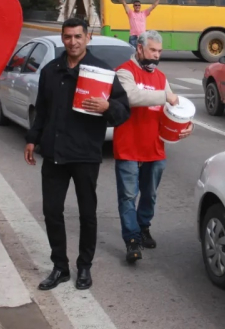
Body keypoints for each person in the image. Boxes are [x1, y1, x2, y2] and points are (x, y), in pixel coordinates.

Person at [24, 17, 130, 292]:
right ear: (63, 38)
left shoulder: (102, 72)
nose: (73, 42)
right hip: (55, 154)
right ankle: (60, 267)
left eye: (78, 37)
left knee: (87, 214)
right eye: (68, 37)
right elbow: (42, 111)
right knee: (52, 212)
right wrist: (32, 139)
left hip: (85, 153)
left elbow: (123, 111)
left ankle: (84, 266)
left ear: (87, 38)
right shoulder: (50, 71)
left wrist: (107, 106)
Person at [113, 30, 194, 263]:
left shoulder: (160, 77)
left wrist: (188, 126)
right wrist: (165, 97)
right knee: (128, 196)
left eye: (159, 52)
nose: (156, 56)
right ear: (139, 49)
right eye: (152, 51)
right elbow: (131, 97)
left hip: (154, 147)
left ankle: (143, 226)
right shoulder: (124, 72)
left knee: (150, 194)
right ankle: (132, 240)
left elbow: (174, 108)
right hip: (128, 145)